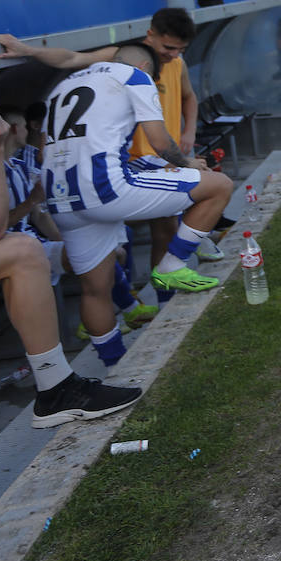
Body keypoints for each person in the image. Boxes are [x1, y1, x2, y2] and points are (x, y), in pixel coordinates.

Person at [38, 44, 232, 367]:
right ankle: (173, 265)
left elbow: (45, 148)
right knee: (219, 187)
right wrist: (186, 162)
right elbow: (158, 139)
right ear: (144, 66)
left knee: (95, 289)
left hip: (60, 197)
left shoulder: (61, 87)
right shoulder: (134, 76)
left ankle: (116, 367)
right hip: (104, 187)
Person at [0, 105, 144, 428]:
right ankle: (62, 382)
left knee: (96, 245)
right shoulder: (4, 162)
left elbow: (39, 217)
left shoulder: (23, 164)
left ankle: (59, 383)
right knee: (25, 250)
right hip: (23, 239)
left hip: (35, 238)